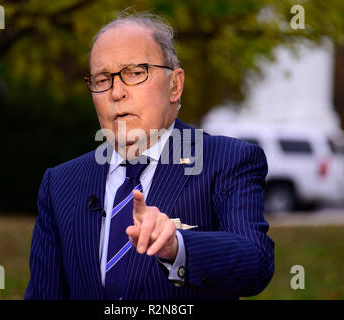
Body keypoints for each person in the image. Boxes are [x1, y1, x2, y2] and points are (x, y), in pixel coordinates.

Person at [25, 12, 274, 300]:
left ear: (174, 85)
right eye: (103, 79)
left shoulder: (226, 160)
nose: (116, 92)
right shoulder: (61, 183)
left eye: (135, 73)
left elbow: (255, 262)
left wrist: (177, 246)